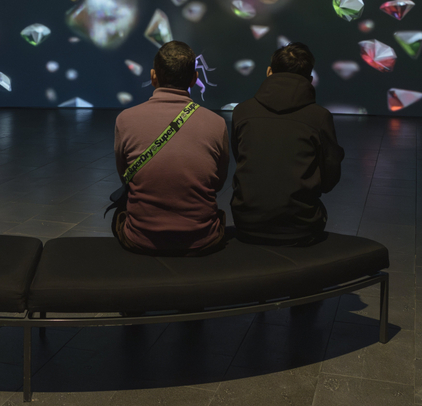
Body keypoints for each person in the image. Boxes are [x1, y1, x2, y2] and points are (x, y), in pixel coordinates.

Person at [112, 41, 229, 255]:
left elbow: (125, 178)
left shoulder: (125, 120)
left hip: (140, 239)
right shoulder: (217, 124)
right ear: (194, 79)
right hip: (203, 240)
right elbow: (219, 183)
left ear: (153, 76)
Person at [230, 42, 344, 246]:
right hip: (301, 228)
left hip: (246, 224)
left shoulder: (242, 112)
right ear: (309, 80)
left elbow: (240, 159)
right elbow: (329, 180)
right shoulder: (319, 118)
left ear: (268, 72)